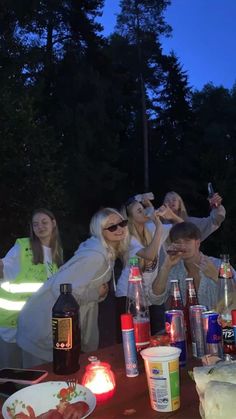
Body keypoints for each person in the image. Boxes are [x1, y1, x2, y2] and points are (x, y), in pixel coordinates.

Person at [16, 207, 129, 367]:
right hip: (42, 327)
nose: (119, 229)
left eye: (122, 223)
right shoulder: (95, 256)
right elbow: (61, 289)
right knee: (39, 385)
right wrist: (95, 293)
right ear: (100, 231)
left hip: (50, 326)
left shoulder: (105, 252)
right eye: (111, 227)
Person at [0, 208, 63, 368]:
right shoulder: (23, 247)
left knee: (30, 373)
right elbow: (4, 266)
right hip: (12, 322)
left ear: (53, 223)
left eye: (44, 222)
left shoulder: (57, 253)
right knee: (10, 373)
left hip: (34, 325)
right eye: (36, 224)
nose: (40, 227)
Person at [115, 196, 181, 335]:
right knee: (134, 338)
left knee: (159, 333)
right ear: (131, 219)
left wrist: (171, 215)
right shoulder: (128, 239)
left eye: (143, 208)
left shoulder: (150, 228)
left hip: (150, 293)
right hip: (128, 295)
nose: (145, 212)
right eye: (139, 211)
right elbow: (150, 254)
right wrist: (158, 226)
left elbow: (183, 228)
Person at [152, 221, 236, 310]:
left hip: (222, 322)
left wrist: (216, 276)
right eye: (178, 242)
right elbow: (156, 299)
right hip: (189, 322)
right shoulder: (174, 270)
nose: (182, 246)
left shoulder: (220, 265)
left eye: (187, 241)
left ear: (197, 243)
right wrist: (166, 266)